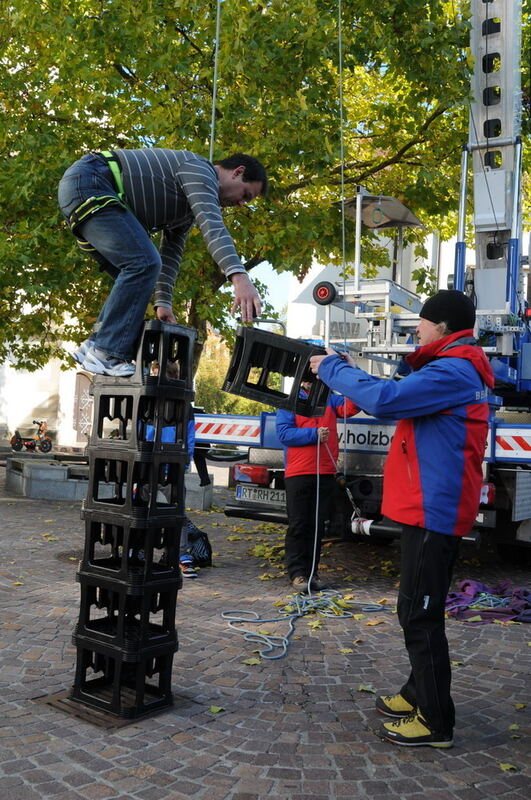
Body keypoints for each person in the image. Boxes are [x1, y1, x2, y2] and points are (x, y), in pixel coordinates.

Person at [310, 290, 494, 748]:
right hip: (429, 506)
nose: (416, 329)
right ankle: (417, 693)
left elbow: (387, 399)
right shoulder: (450, 366)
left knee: (420, 614)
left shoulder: (454, 369)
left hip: (436, 509)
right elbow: (397, 392)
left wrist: (334, 369)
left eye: (423, 322)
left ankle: (435, 721)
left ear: (444, 327)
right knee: (415, 607)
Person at [58, 149, 268, 376]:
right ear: (238, 172)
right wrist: (239, 276)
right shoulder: (200, 169)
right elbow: (212, 225)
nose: (240, 204)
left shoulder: (185, 208)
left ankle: (96, 344)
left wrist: (163, 303)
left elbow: (171, 252)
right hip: (94, 181)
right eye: (246, 195)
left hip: (87, 194)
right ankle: (105, 352)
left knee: (135, 278)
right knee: (143, 264)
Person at [276, 379, 358, 593]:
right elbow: (284, 433)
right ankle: (297, 573)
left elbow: (352, 405)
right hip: (299, 472)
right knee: (299, 525)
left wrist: (349, 376)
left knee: (317, 526)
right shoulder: (290, 401)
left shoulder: (331, 399)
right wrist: (313, 435)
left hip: (325, 472)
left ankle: (312, 572)